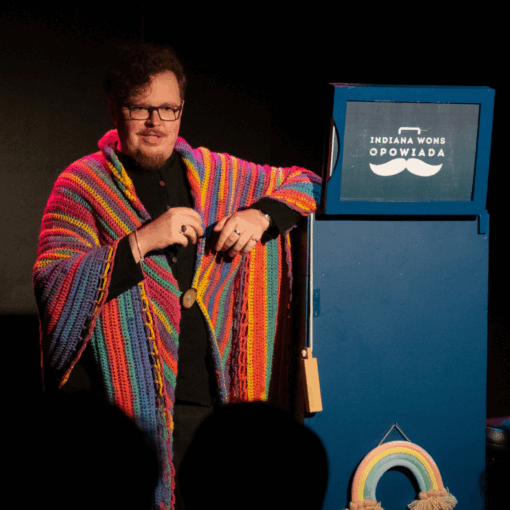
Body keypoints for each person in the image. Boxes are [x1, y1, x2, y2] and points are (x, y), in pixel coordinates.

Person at [33, 42, 321, 509]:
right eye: (141, 108)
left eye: (168, 108)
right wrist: (140, 241)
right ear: (115, 109)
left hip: (212, 404)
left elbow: (308, 183)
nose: (156, 122)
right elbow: (54, 283)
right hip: (124, 415)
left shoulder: (218, 175)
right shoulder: (81, 185)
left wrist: (261, 215)